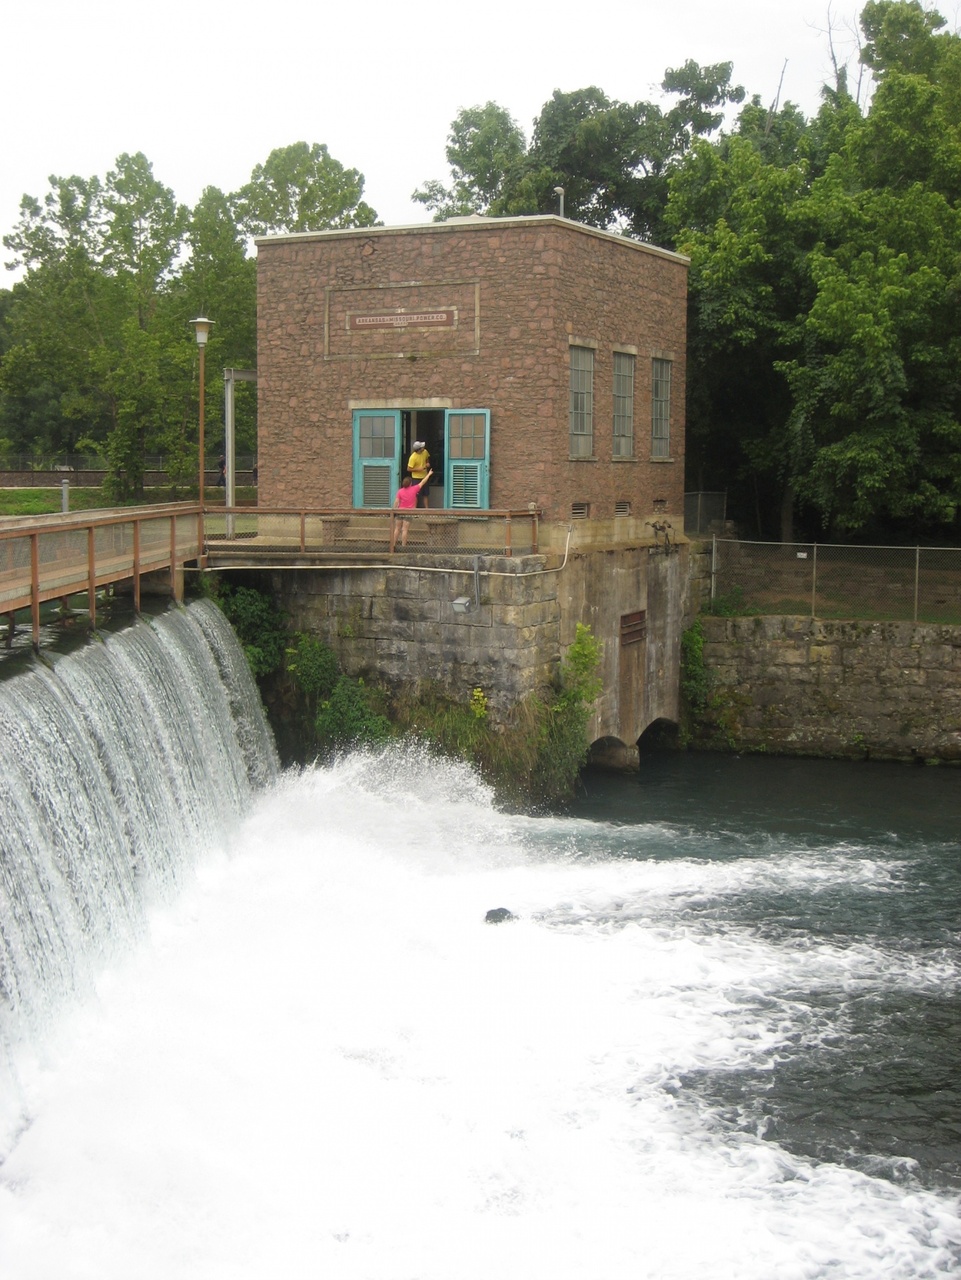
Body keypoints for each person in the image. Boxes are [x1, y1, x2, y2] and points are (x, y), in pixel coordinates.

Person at [390, 470, 433, 552]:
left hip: (400, 511)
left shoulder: (400, 491)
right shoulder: (414, 489)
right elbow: (423, 482)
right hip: (409, 512)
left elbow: (396, 502)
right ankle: (403, 546)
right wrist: (429, 474)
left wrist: (394, 510)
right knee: (405, 529)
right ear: (410, 483)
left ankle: (393, 545)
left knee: (397, 529)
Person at [407, 440, 431, 508]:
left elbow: (427, 458)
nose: (423, 448)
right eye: (422, 447)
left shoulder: (425, 451)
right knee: (415, 495)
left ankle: (427, 509)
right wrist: (418, 469)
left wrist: (427, 462)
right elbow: (408, 469)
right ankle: (414, 509)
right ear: (419, 449)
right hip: (416, 478)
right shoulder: (413, 457)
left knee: (426, 494)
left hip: (425, 476)